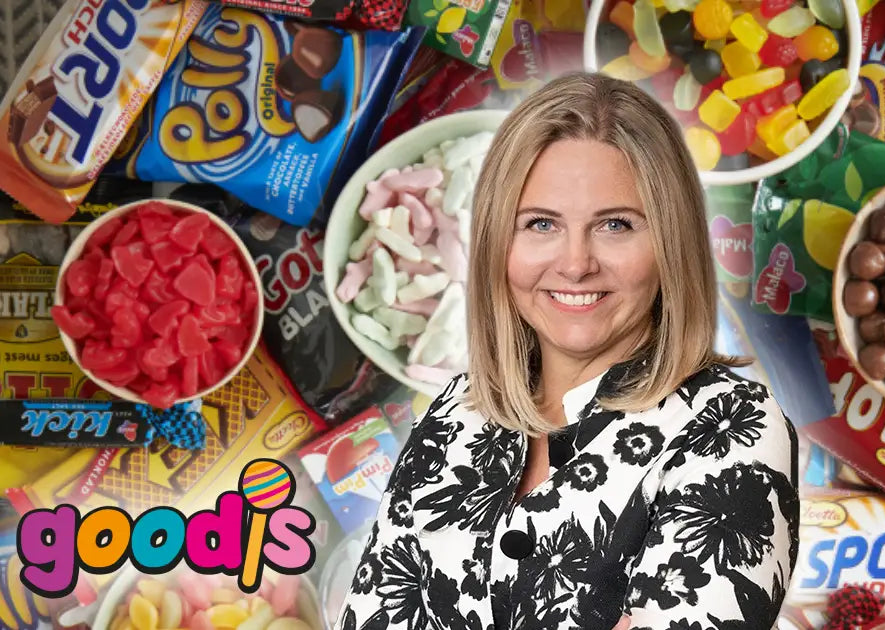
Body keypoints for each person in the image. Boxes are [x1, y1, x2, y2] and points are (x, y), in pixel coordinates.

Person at [339, 72, 799, 630]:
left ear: (670, 243)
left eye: (615, 224)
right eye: (540, 224)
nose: (576, 263)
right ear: (495, 244)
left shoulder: (735, 427)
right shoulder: (454, 413)